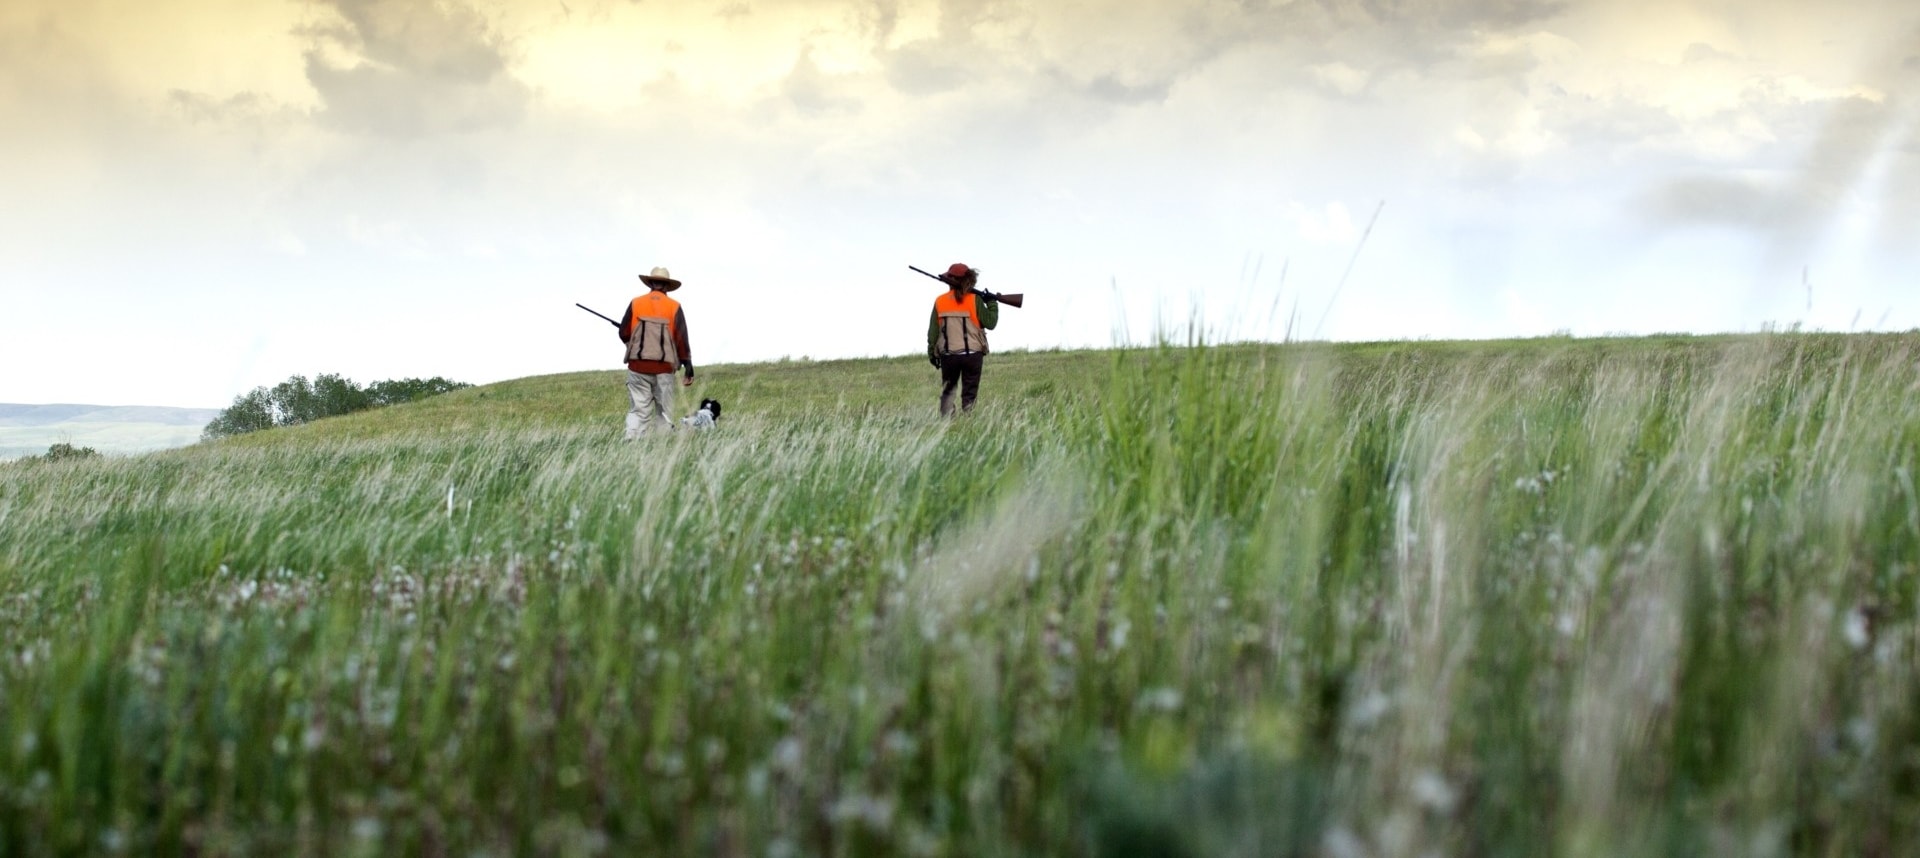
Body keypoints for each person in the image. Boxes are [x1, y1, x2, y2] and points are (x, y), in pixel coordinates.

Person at [618, 266, 694, 439]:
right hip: (664, 369)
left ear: (650, 283)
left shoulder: (636, 302)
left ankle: (632, 440)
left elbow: (623, 332)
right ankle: (662, 446)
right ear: (667, 286)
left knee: (639, 410)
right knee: (664, 411)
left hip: (637, 366)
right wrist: (688, 365)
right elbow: (681, 338)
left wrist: (636, 345)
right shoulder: (674, 306)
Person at [926, 262, 999, 416]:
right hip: (973, 356)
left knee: (948, 392)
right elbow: (990, 323)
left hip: (949, 356)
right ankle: (968, 420)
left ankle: (946, 424)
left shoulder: (940, 301)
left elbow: (933, 332)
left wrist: (932, 353)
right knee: (969, 394)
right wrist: (992, 302)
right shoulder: (975, 300)